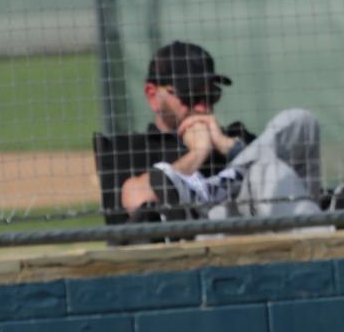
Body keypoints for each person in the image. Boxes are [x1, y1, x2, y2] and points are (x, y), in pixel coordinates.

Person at [115, 41, 327, 221]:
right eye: (191, 96)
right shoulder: (132, 148)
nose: (203, 107)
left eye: (212, 96)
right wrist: (197, 154)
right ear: (153, 95)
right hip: (206, 238)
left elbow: (290, 182)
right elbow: (134, 200)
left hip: (263, 225)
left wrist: (230, 148)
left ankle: (217, 187)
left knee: (300, 122)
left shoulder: (236, 137)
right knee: (257, 173)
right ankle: (208, 192)